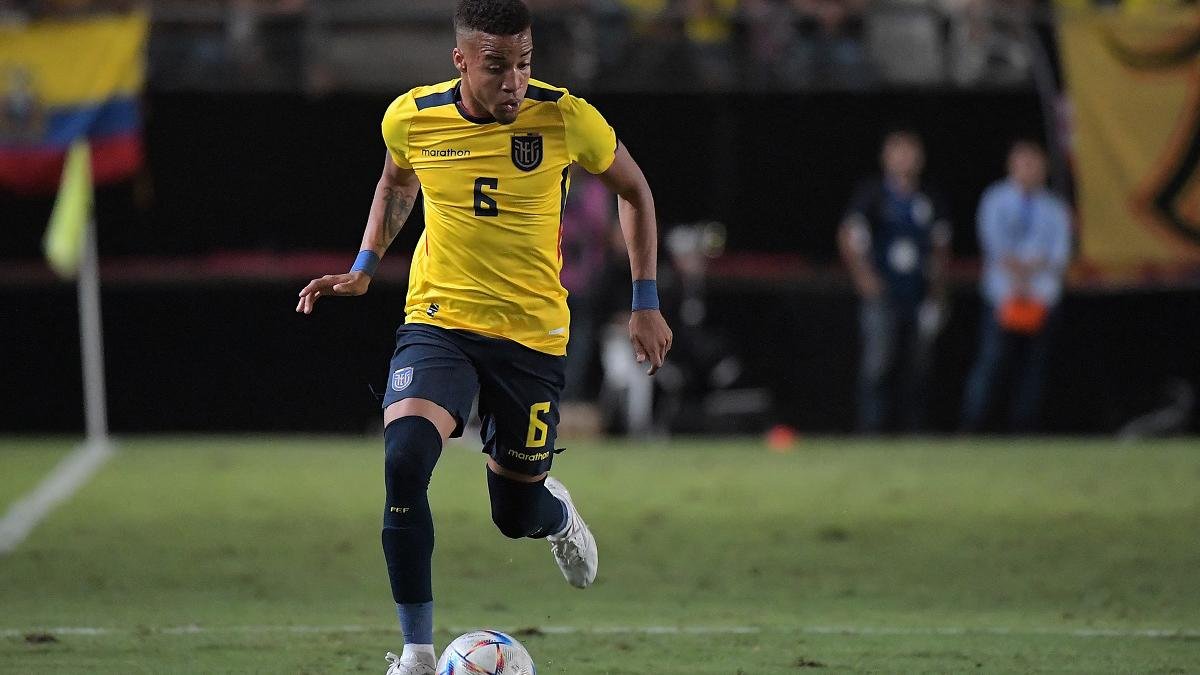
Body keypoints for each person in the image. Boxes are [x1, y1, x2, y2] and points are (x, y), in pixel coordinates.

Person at [295, 1, 673, 673]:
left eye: (524, 64)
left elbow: (636, 190)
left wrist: (646, 300)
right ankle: (415, 652)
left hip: (530, 337)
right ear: (461, 60)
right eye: (497, 67)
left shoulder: (563, 116)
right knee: (404, 459)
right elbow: (394, 184)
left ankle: (553, 514)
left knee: (514, 511)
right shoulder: (411, 116)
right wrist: (361, 268)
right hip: (439, 321)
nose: (514, 82)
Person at [838, 129, 951, 433]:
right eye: (897, 151)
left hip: (917, 294)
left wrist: (936, 297)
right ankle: (870, 431)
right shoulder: (871, 194)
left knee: (918, 368)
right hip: (882, 294)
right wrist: (864, 278)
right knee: (877, 365)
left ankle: (913, 431)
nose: (904, 159)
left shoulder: (928, 198)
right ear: (885, 157)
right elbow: (849, 234)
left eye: (910, 152)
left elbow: (941, 248)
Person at [961, 140, 1071, 433]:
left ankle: (1025, 430)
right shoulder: (995, 199)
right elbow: (993, 245)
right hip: (1002, 297)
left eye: (1034, 164)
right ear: (1011, 166)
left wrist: (1031, 272)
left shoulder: (1055, 208)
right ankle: (973, 427)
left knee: (1033, 370)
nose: (1029, 170)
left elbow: (1059, 254)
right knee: (991, 364)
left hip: (1041, 299)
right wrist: (1018, 275)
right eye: (1023, 163)